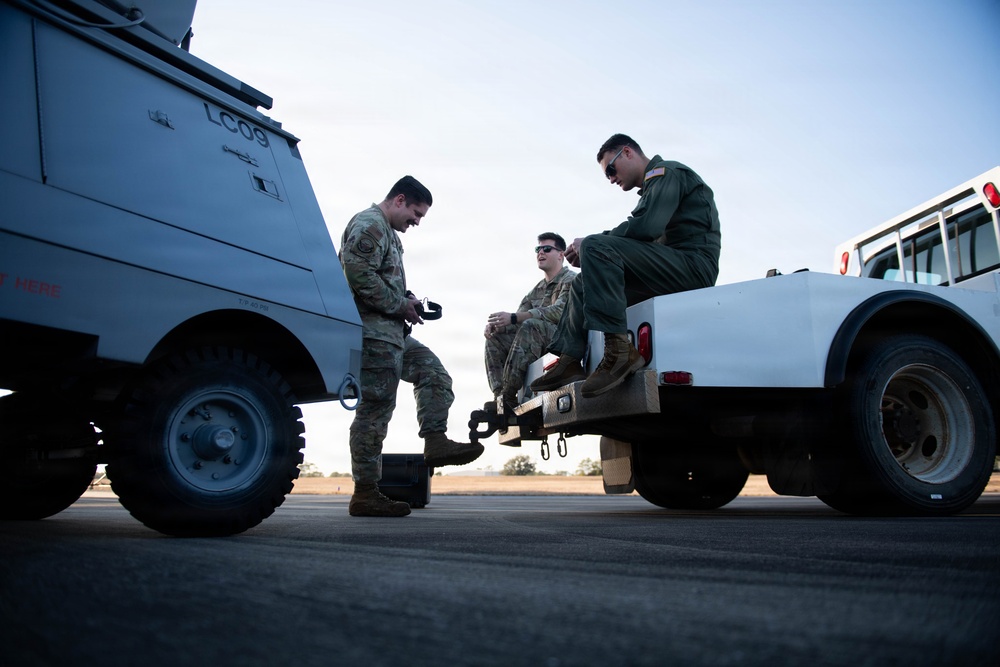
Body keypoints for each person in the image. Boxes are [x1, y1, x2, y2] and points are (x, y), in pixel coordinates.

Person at [530, 134, 722, 398]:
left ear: (628, 152)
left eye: (611, 168)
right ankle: (571, 360)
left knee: (597, 246)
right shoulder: (655, 186)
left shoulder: (667, 173)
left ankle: (620, 353)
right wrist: (591, 249)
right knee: (582, 281)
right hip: (670, 268)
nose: (610, 178)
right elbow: (640, 233)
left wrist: (591, 245)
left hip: (692, 267)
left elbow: (646, 227)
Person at [339, 176, 484, 517]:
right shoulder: (370, 224)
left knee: (433, 373)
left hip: (393, 333)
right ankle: (364, 493)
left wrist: (407, 300)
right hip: (372, 333)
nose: (417, 222)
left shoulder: (388, 232)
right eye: (416, 213)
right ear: (400, 200)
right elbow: (357, 274)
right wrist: (398, 304)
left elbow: (379, 276)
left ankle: (435, 441)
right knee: (374, 412)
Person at [484, 233, 575, 409]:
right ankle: (499, 396)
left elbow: (560, 312)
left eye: (547, 249)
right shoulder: (537, 290)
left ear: (560, 255)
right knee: (496, 336)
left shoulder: (570, 279)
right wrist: (497, 326)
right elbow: (516, 321)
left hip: (565, 341)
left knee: (531, 325)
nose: (541, 253)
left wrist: (514, 317)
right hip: (540, 341)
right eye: (538, 249)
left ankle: (509, 395)